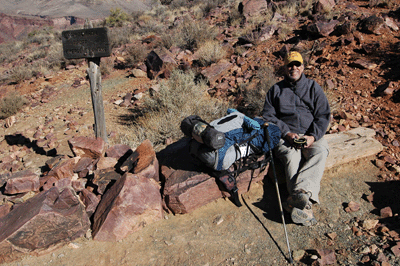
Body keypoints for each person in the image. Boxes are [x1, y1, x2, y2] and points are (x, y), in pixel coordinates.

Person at [261, 51, 331, 226]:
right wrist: (286, 133)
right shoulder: (276, 90)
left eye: (297, 64)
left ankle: (299, 196)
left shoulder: (313, 87)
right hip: (286, 136)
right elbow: (268, 116)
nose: (294, 68)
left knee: (321, 150)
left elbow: (323, 116)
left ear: (303, 67)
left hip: (310, 135)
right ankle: (304, 206)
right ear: (285, 68)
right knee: (292, 157)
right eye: (290, 65)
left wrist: (312, 136)